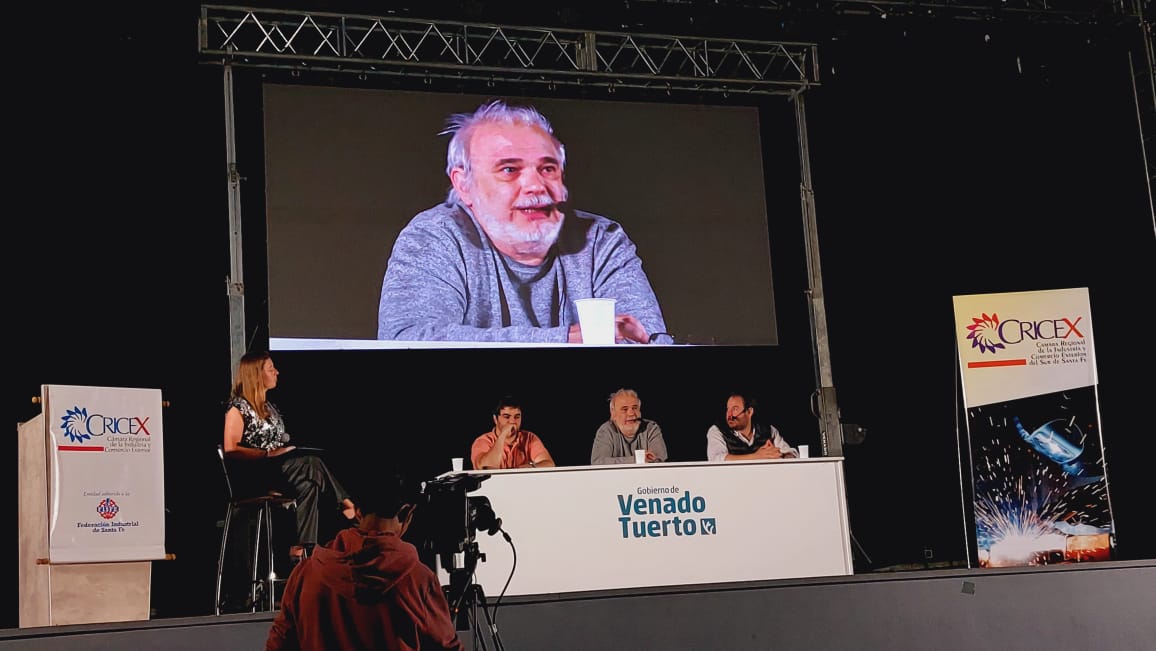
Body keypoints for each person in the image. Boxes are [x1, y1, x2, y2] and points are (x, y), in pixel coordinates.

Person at [377, 98, 667, 344]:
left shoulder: (601, 239)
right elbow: (410, 340)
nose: (536, 185)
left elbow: (649, 342)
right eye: (509, 169)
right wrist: (563, 339)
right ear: (464, 184)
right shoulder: (433, 236)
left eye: (548, 168)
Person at [265, 472, 465, 651]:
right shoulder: (418, 579)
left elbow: (278, 644)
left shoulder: (305, 574)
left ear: (358, 512)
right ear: (406, 512)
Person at [223, 351, 357, 562]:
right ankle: (347, 504)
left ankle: (302, 548)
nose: (277, 372)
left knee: (309, 484)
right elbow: (231, 449)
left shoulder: (270, 408)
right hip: (257, 473)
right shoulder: (238, 408)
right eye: (270, 369)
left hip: (281, 470)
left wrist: (284, 450)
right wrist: (267, 454)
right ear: (257, 375)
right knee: (312, 464)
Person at [706, 392, 798, 462]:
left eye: (735, 409)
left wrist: (779, 455)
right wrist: (758, 456)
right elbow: (717, 459)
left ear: (749, 412)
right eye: (728, 409)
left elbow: (792, 453)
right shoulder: (717, 431)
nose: (729, 415)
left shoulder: (768, 430)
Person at [471, 395, 556, 469]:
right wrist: (503, 435)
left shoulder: (529, 438)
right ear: (495, 419)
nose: (512, 421)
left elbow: (549, 464)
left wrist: (531, 466)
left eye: (517, 417)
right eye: (506, 417)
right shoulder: (482, 441)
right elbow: (487, 466)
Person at [590, 388, 669, 464]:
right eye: (624, 409)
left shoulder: (651, 428)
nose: (631, 413)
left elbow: (659, 458)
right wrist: (637, 459)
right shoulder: (606, 431)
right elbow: (598, 462)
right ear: (613, 413)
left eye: (635, 408)